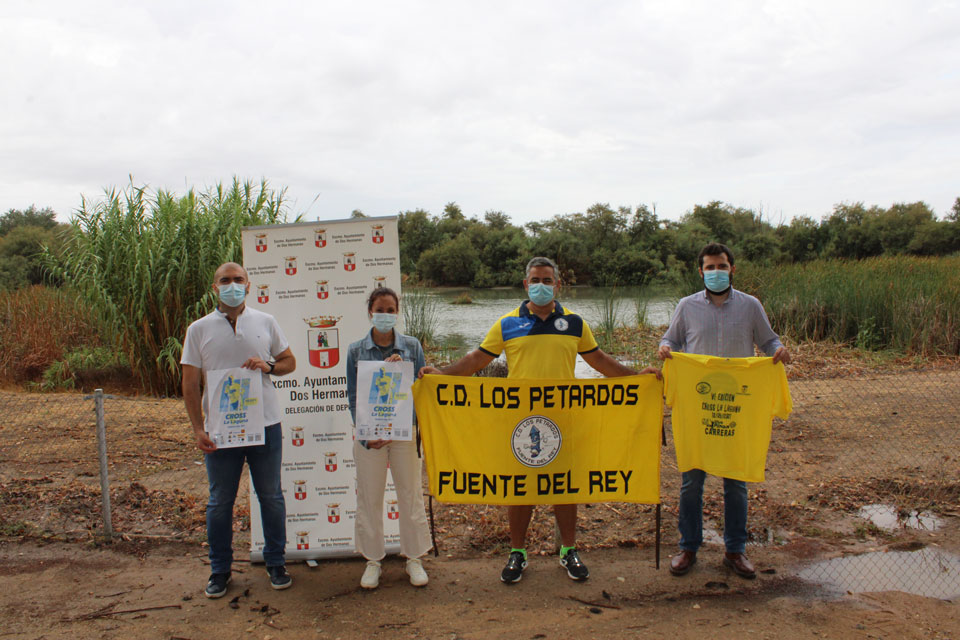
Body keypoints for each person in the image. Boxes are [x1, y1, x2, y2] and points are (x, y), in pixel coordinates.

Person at [420, 257, 660, 584]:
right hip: (520, 422)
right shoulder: (507, 323)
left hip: (565, 418)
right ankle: (517, 552)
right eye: (536, 279)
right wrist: (441, 375)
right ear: (525, 284)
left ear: (558, 285)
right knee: (521, 489)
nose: (542, 285)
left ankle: (569, 550)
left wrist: (638, 378)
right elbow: (477, 359)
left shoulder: (575, 323)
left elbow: (600, 361)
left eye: (548, 280)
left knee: (565, 485)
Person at [658, 243, 791, 580]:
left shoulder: (751, 306)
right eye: (709, 267)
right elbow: (671, 341)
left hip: (736, 409)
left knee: (736, 485)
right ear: (700, 271)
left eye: (721, 266)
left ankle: (735, 550)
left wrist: (779, 351)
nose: (715, 272)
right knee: (691, 484)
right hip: (699, 410)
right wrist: (665, 348)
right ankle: (688, 547)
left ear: (732, 269)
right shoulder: (686, 307)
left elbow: (769, 340)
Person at [182, 262, 297, 598]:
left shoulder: (266, 322)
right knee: (220, 502)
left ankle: (276, 562)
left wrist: (270, 366)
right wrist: (197, 428)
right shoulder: (198, 329)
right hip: (221, 432)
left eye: (238, 280)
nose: (231, 285)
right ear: (214, 288)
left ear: (249, 286)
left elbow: (290, 362)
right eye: (224, 280)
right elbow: (190, 383)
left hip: (266, 427)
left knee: (271, 498)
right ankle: (220, 570)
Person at [345, 287, 432, 589]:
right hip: (371, 438)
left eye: (390, 309)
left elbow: (421, 388)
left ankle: (414, 557)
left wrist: (401, 373)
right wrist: (366, 434)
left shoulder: (411, 346)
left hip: (404, 433)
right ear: (370, 311)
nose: (385, 314)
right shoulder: (356, 350)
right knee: (369, 497)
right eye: (379, 309)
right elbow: (354, 394)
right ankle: (373, 561)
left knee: (410, 495)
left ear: (398, 311)